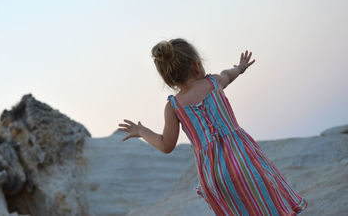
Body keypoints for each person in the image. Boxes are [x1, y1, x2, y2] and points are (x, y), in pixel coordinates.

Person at [117, 38, 308, 215]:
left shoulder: (173, 107)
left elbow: (166, 145)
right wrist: (240, 68)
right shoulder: (213, 82)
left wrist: (142, 131)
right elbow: (229, 74)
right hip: (244, 159)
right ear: (197, 65)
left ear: (168, 78)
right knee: (267, 203)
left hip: (214, 174)